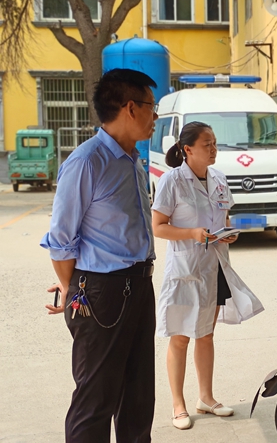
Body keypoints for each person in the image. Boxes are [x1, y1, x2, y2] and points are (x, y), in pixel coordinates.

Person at [40, 68, 158, 442]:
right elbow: (61, 241)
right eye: (151, 108)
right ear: (130, 108)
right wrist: (72, 288)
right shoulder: (87, 162)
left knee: (138, 397)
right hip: (102, 294)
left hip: (140, 286)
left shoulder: (133, 160)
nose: (155, 117)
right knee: (95, 400)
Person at [151, 121, 264, 430]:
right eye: (207, 144)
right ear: (188, 150)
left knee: (206, 334)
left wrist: (228, 234)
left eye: (215, 143)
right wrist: (192, 233)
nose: (214, 149)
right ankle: (178, 404)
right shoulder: (171, 181)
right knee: (180, 337)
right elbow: (158, 226)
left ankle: (206, 397)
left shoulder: (219, 179)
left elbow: (223, 217)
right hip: (186, 269)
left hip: (214, 266)